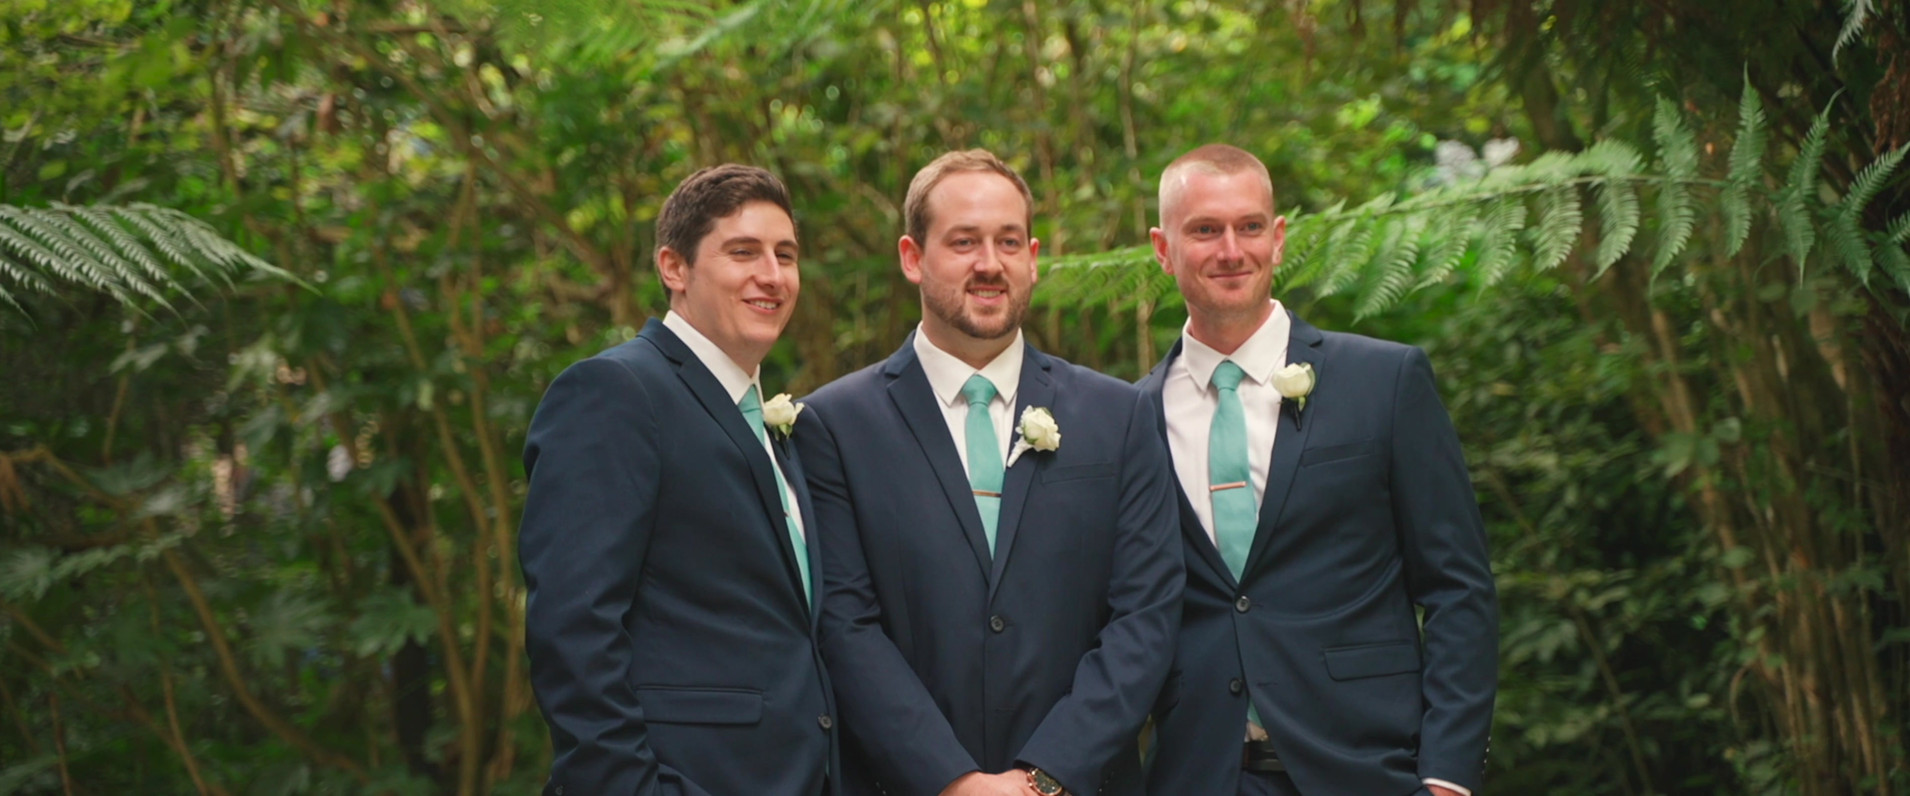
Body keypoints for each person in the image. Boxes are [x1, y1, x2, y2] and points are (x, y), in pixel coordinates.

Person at [794, 149, 1182, 796]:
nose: (990, 264)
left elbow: (1146, 615)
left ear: (1032, 257)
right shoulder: (834, 426)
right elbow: (844, 626)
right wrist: (952, 781)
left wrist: (1044, 777)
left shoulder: (1119, 416)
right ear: (912, 257)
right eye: (963, 242)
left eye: (1008, 242)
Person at [1137, 144, 1498, 796]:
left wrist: (1447, 774)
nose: (1231, 250)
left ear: (1278, 239)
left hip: (1367, 769)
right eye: (1205, 230)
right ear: (1164, 249)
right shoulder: (1130, 417)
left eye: (1250, 227)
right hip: (1197, 774)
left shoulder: (1385, 381)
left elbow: (1457, 588)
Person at [518, 164, 836, 796]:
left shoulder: (771, 425)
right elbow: (574, 627)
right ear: (674, 267)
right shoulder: (617, 392)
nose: (772, 275)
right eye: (742, 252)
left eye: (785, 255)